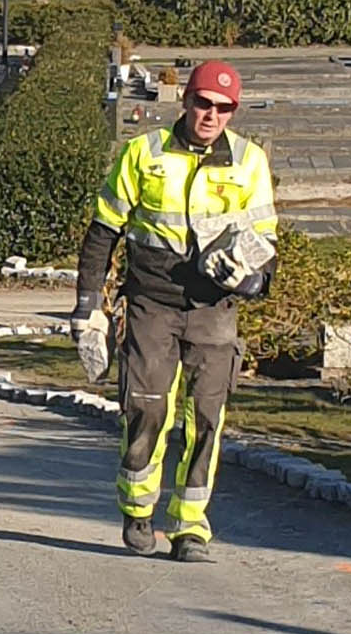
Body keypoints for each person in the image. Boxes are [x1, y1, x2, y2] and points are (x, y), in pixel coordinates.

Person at [70, 59, 277, 562]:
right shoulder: (143, 153)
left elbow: (267, 245)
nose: (211, 115)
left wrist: (249, 278)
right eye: (203, 103)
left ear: (233, 111)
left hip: (213, 308)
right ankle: (138, 511)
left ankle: (190, 527)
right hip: (151, 302)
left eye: (223, 108)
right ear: (185, 100)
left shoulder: (250, 162)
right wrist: (87, 305)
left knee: (207, 416)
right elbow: (103, 233)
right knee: (147, 408)